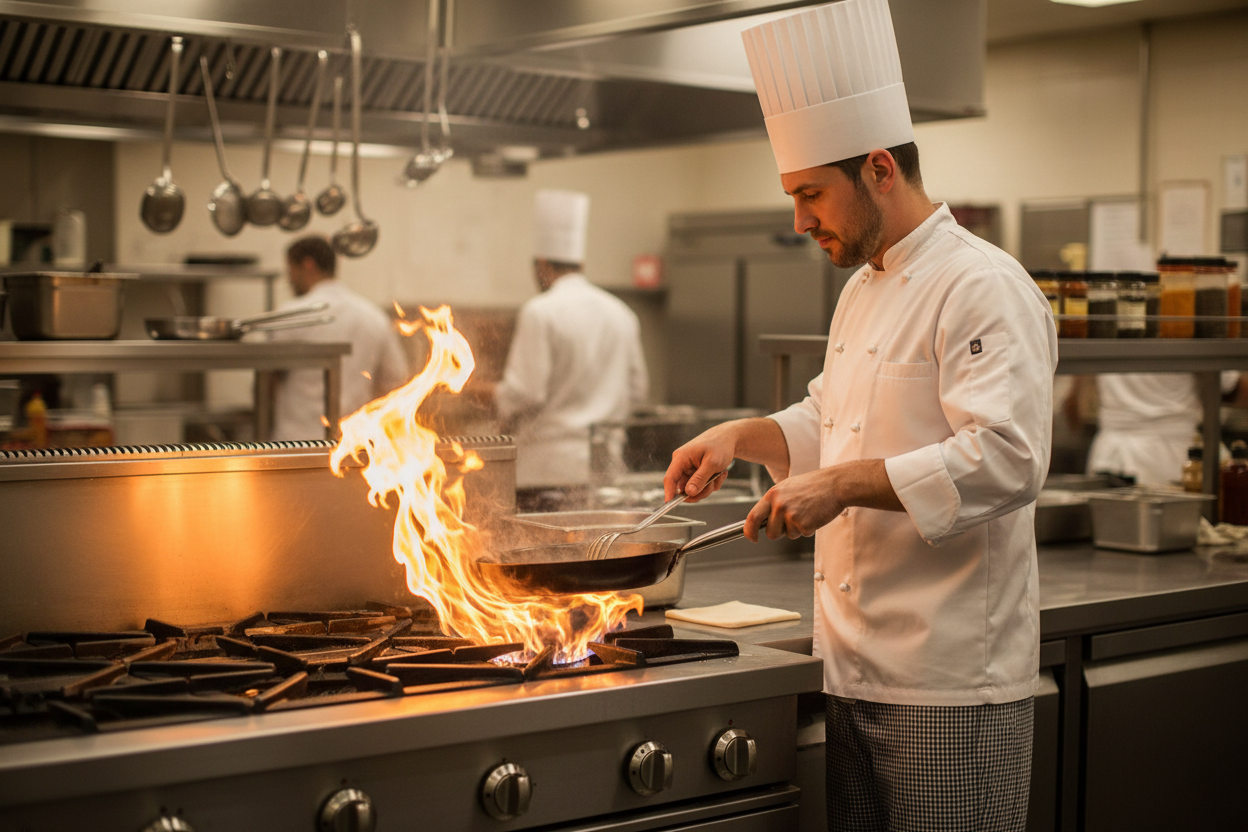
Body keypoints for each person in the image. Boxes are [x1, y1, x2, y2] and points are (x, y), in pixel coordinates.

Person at [664, 2, 1057, 829]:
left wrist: (839, 486)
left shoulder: (980, 284)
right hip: (850, 666)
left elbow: (1008, 458)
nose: (799, 220)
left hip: (948, 679)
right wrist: (742, 435)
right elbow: (829, 417)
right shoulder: (862, 286)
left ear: (879, 167)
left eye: (811, 194)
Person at [468, 189, 649, 512]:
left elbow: (526, 392)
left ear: (540, 264)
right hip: (604, 473)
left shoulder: (540, 311)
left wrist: (469, 390)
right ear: (580, 262)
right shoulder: (621, 312)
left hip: (546, 473)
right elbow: (638, 391)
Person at [269, 235, 410, 440]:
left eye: (291, 270)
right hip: (352, 443)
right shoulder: (373, 316)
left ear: (308, 265)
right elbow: (396, 379)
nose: (289, 279)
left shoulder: (290, 316)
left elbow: (268, 381)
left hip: (295, 443)